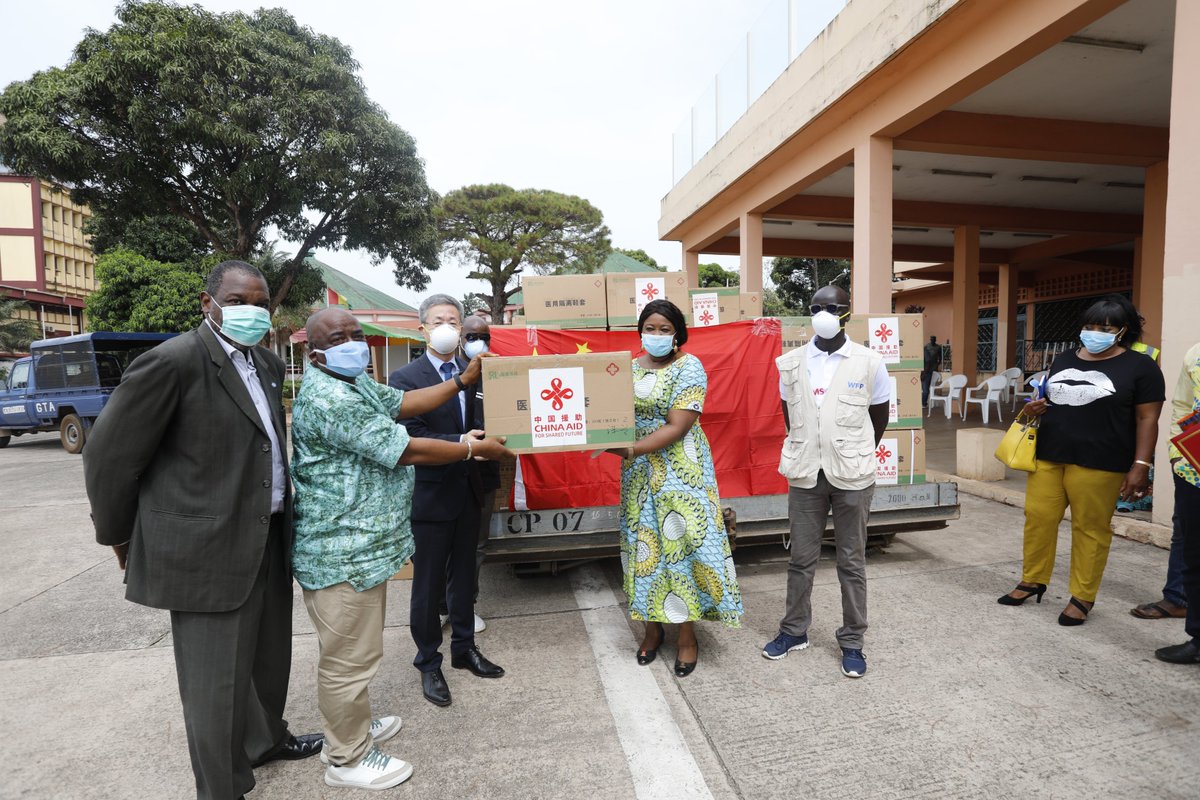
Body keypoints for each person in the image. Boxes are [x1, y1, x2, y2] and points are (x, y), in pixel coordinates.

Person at [82, 261, 322, 800]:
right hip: (206, 550)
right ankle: (222, 788)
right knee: (215, 683)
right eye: (238, 301)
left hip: (267, 533)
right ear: (207, 303)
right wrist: (119, 534)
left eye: (260, 304)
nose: (251, 312)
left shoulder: (266, 362)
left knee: (268, 658)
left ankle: (264, 740)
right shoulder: (173, 362)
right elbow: (109, 457)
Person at [290, 307, 511, 790]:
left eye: (357, 334)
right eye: (338, 337)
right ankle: (347, 758)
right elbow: (406, 447)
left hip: (361, 549)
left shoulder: (352, 383)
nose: (353, 343)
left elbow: (404, 403)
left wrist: (461, 381)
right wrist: (472, 448)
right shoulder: (331, 398)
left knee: (356, 652)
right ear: (313, 350)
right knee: (348, 660)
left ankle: (350, 728)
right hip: (340, 553)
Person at [998, 294, 1164, 625]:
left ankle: (1082, 596)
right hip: (1049, 453)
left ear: (1124, 331)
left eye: (1105, 328)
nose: (1095, 333)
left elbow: (1148, 419)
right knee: (1038, 518)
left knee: (1090, 528)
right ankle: (1032, 580)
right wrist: (1032, 408)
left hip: (1101, 460)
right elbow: (1051, 397)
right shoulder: (1064, 358)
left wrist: (1141, 466)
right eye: (1090, 326)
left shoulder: (1141, 366)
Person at [608, 298, 743, 677]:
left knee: (682, 549)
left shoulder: (690, 367)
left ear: (677, 334)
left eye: (664, 329)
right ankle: (652, 630)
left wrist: (631, 448)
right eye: (649, 328)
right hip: (638, 475)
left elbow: (678, 425)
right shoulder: (628, 368)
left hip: (681, 472)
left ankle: (686, 636)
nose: (656, 335)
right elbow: (608, 412)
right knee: (643, 549)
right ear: (640, 332)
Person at [761, 285, 890, 678]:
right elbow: (791, 416)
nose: (823, 314)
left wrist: (849, 451)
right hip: (805, 474)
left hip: (852, 476)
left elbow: (879, 418)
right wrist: (813, 448)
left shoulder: (869, 362)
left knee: (851, 561)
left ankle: (852, 640)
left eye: (832, 308)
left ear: (847, 313)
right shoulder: (791, 363)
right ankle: (794, 631)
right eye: (817, 307)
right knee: (801, 559)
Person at [389, 294, 504, 707]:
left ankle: (464, 648)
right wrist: (462, 442)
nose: (447, 328)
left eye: (453, 322)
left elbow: (493, 420)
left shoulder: (478, 371)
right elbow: (411, 436)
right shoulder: (405, 378)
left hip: (469, 489)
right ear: (422, 328)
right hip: (430, 494)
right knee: (428, 583)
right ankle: (428, 661)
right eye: (438, 321)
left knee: (465, 578)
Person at [436, 313, 501, 634]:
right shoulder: (451, 375)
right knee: (442, 543)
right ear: (461, 339)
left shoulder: (498, 373)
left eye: (484, 337)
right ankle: (441, 606)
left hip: (484, 473)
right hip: (448, 469)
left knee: (476, 545)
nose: (479, 342)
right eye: (472, 337)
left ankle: (465, 605)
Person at [1155, 340, 1200, 664]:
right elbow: (1183, 405)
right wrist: (1176, 456)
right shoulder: (1196, 353)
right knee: (1194, 557)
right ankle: (1198, 638)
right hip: (1194, 471)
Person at [921, 335, 943, 407]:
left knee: (928, 388)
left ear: (935, 340)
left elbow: (939, 357)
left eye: (934, 339)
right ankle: (924, 403)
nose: (932, 340)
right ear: (930, 339)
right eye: (931, 339)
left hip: (930, 370)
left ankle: (925, 403)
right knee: (926, 389)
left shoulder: (938, 347)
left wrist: (938, 364)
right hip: (926, 371)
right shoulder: (926, 347)